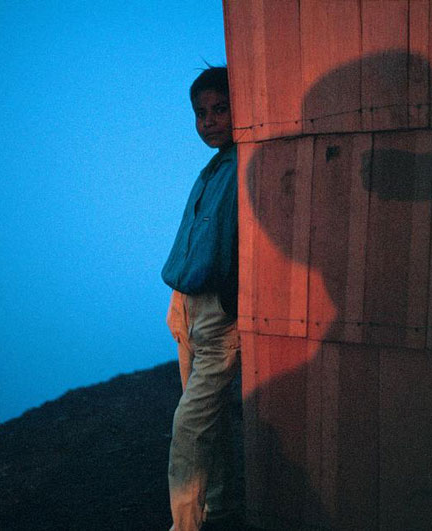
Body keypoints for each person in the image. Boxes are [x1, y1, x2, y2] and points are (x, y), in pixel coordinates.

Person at [161, 66, 241, 531]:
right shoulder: (213, 169)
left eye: (219, 109)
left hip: (216, 315)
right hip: (187, 305)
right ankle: (219, 505)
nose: (209, 121)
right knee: (206, 422)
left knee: (189, 427)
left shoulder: (245, 166)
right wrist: (176, 303)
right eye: (200, 113)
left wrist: (230, 308)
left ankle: (185, 526)